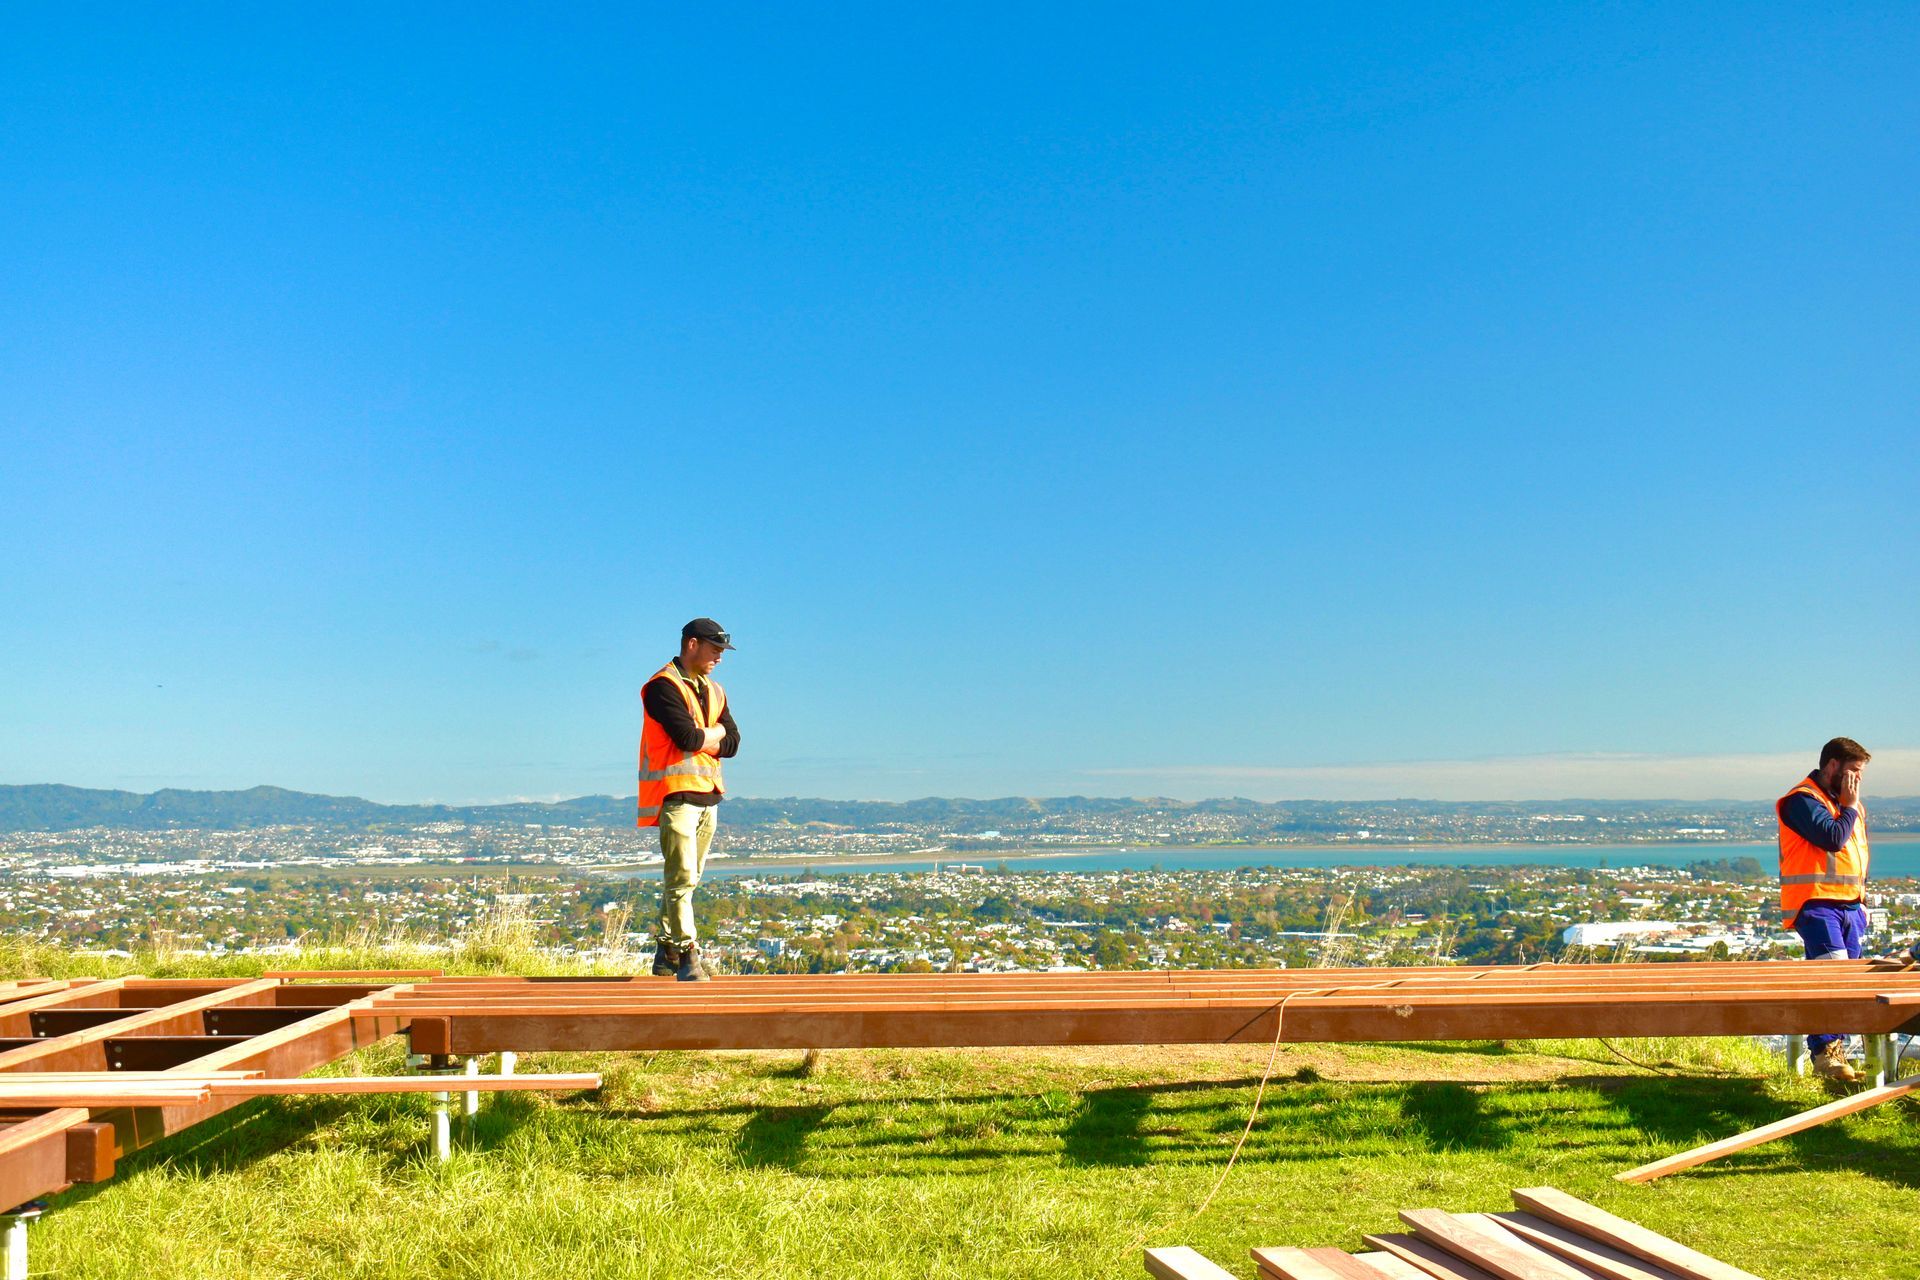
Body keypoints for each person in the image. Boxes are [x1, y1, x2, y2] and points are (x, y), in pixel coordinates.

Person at [637, 618, 741, 981]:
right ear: (692, 644)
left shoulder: (715, 691)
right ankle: (687, 955)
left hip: (708, 798)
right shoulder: (661, 687)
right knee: (681, 879)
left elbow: (734, 743)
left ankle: (666, 951)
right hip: (676, 796)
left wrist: (708, 736)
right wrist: (716, 733)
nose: (720, 658)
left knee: (687, 880)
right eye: (715, 650)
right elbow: (686, 738)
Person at [1778, 736, 1872, 1083]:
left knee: (1847, 982)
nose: (1856, 780)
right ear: (1831, 765)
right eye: (1852, 771)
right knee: (1832, 973)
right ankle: (1825, 1053)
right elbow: (1831, 838)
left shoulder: (1851, 806)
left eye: (1860, 774)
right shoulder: (1802, 801)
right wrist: (1848, 807)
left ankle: (1837, 1053)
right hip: (1815, 904)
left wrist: (1862, 903)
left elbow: (1856, 855)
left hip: (1850, 907)